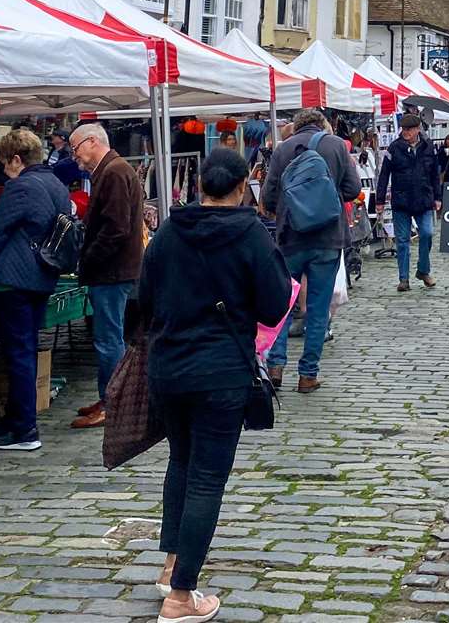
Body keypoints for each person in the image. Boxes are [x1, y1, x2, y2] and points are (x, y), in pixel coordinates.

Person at [139, 148, 292, 623]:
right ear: (243, 185)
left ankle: (171, 565)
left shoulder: (168, 231)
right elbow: (273, 306)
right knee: (205, 476)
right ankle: (182, 596)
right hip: (220, 371)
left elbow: (143, 299)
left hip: (168, 366)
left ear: (201, 184)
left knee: (181, 463)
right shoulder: (250, 235)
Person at [0, 129, 69, 452]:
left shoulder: (21, 187)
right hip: (42, 276)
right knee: (22, 350)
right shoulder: (56, 185)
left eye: (5, 163)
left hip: (14, 280)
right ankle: (11, 422)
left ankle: (25, 429)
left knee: (19, 354)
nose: (4, 170)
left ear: (16, 159)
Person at [261, 108, 360, 393]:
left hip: (291, 238)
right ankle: (308, 375)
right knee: (317, 309)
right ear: (322, 125)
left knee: (283, 305)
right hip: (328, 239)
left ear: (295, 127)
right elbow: (353, 189)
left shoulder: (283, 150)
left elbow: (268, 196)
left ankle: (276, 367)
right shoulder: (336, 146)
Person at [69, 122, 145, 430]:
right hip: (114, 269)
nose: (74, 155)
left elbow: (116, 227)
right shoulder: (113, 170)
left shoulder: (113, 172)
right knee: (109, 337)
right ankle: (109, 398)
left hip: (112, 271)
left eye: (75, 148)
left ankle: (112, 403)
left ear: (91, 142)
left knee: (108, 339)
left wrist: (89, 257)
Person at [375, 115, 441, 291]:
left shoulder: (429, 147)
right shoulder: (394, 148)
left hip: (424, 199)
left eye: (409, 129)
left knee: (427, 233)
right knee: (403, 241)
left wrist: (438, 197)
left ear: (418, 129)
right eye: (404, 129)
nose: (406, 132)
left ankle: (423, 270)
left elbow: (435, 173)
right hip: (401, 200)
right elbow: (384, 175)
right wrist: (379, 200)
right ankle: (403, 279)